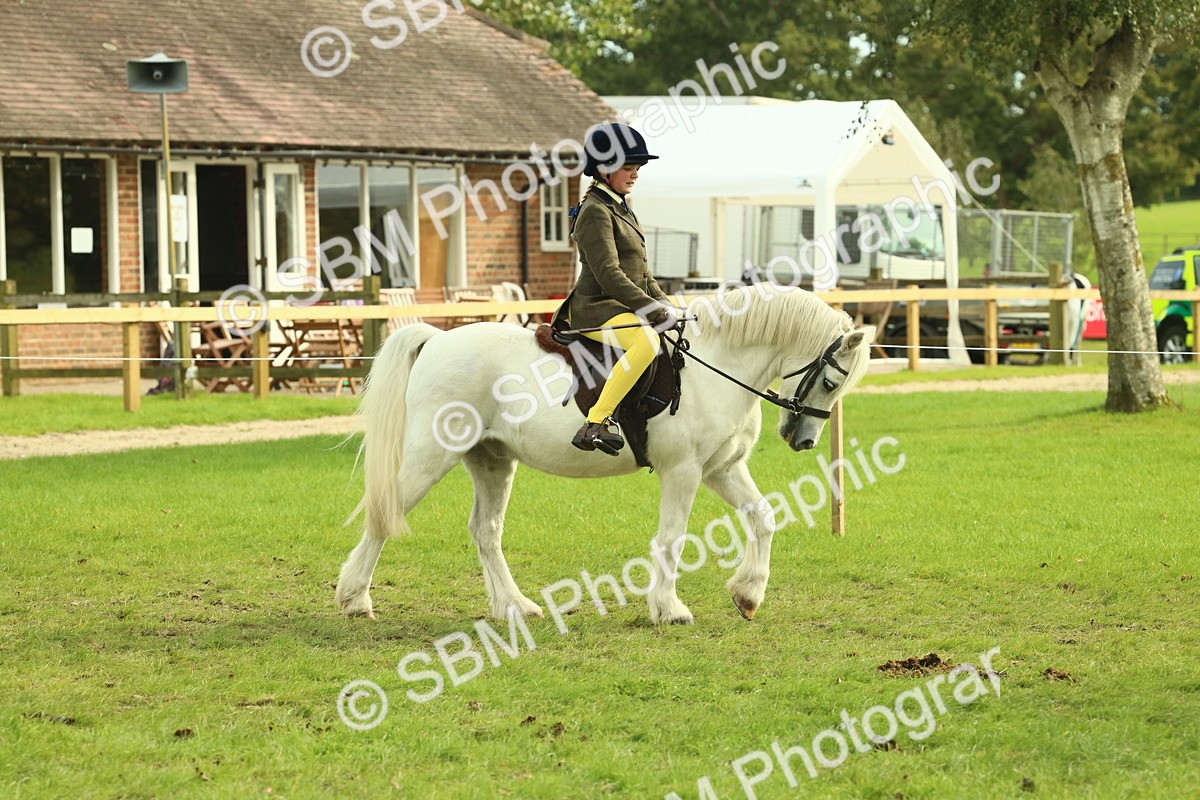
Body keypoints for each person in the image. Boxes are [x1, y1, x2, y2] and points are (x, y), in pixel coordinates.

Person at [561, 123, 677, 455]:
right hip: (596, 306)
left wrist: (668, 306)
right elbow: (610, 274)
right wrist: (650, 310)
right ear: (604, 169)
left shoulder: (621, 206)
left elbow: (642, 273)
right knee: (645, 341)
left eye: (637, 167)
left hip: (621, 305)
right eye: (629, 166)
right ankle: (595, 422)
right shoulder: (595, 212)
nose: (636, 173)